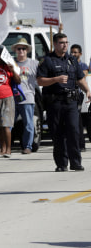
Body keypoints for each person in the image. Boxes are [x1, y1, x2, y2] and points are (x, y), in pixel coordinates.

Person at [37, 33, 91, 172]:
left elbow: (80, 79)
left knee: (74, 131)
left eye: (66, 42)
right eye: (61, 42)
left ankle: (76, 162)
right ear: (55, 44)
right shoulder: (47, 60)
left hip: (71, 102)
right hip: (54, 102)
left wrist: (87, 91)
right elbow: (40, 80)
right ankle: (61, 164)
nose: (65, 45)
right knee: (58, 133)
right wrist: (55, 79)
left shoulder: (72, 60)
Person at [13, 38, 39, 154]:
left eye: (24, 48)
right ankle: (4, 146)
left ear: (27, 50)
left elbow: (41, 77)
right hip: (12, 97)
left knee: (28, 124)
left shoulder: (34, 63)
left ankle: (28, 146)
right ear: (15, 50)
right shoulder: (11, 63)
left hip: (27, 97)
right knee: (7, 124)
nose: (21, 51)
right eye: (19, 48)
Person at [70, 44, 89, 152]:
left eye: (75, 52)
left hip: (78, 94)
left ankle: (81, 144)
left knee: (78, 119)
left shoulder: (83, 66)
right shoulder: (68, 63)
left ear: (80, 54)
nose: (73, 54)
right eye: (71, 52)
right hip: (68, 94)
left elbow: (80, 77)